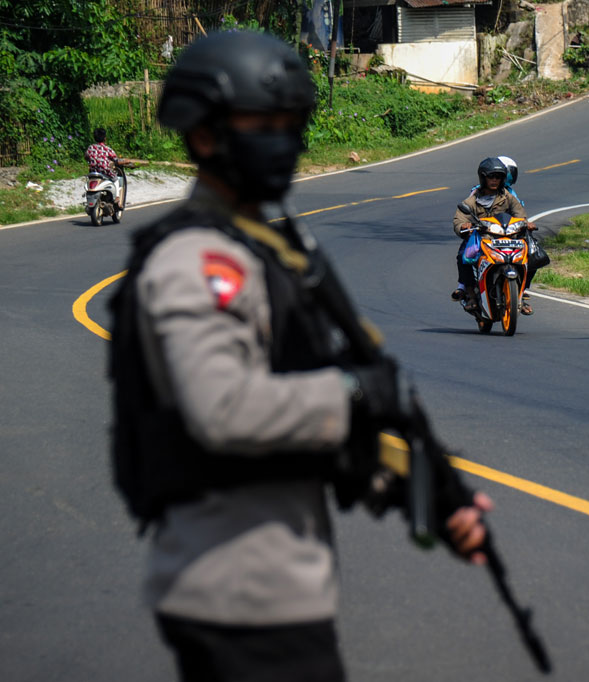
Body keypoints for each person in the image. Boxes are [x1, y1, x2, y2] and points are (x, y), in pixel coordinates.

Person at [107, 30, 491, 682]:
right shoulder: (199, 261)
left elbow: (303, 406)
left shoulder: (269, 245)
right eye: (264, 123)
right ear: (205, 135)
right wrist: (355, 393)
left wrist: (421, 490)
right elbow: (226, 411)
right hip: (239, 593)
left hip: (271, 586)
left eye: (293, 123)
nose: (283, 139)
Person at [451, 157, 536, 314]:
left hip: (508, 239)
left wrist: (526, 224)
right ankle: (469, 293)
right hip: (483, 239)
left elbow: (520, 215)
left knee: (533, 253)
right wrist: (464, 226)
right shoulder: (473, 200)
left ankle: (521, 292)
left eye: (498, 177)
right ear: (483, 177)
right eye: (491, 176)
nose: (494, 180)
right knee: (463, 255)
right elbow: (460, 218)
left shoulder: (508, 198)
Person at [85, 127, 125, 204]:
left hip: (93, 171)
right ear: (105, 138)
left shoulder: (90, 148)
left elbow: (86, 156)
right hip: (105, 171)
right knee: (115, 179)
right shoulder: (107, 149)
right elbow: (115, 159)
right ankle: (117, 196)